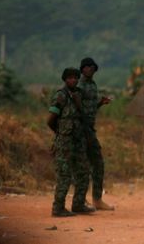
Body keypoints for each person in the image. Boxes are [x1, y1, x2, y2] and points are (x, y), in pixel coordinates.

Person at [47, 67, 95, 217]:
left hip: (79, 141)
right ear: (65, 79)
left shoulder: (79, 94)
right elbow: (50, 120)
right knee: (65, 175)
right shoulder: (60, 96)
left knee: (83, 172)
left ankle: (78, 204)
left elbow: (84, 115)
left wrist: (78, 102)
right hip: (65, 142)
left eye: (75, 77)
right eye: (70, 78)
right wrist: (61, 133)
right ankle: (58, 208)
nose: (73, 80)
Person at [78, 57, 114, 210]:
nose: (91, 69)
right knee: (82, 166)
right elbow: (77, 109)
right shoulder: (78, 85)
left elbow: (90, 108)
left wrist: (100, 103)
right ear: (82, 69)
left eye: (93, 67)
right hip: (80, 129)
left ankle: (97, 199)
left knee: (98, 163)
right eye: (88, 67)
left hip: (90, 129)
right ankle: (80, 200)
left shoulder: (93, 85)